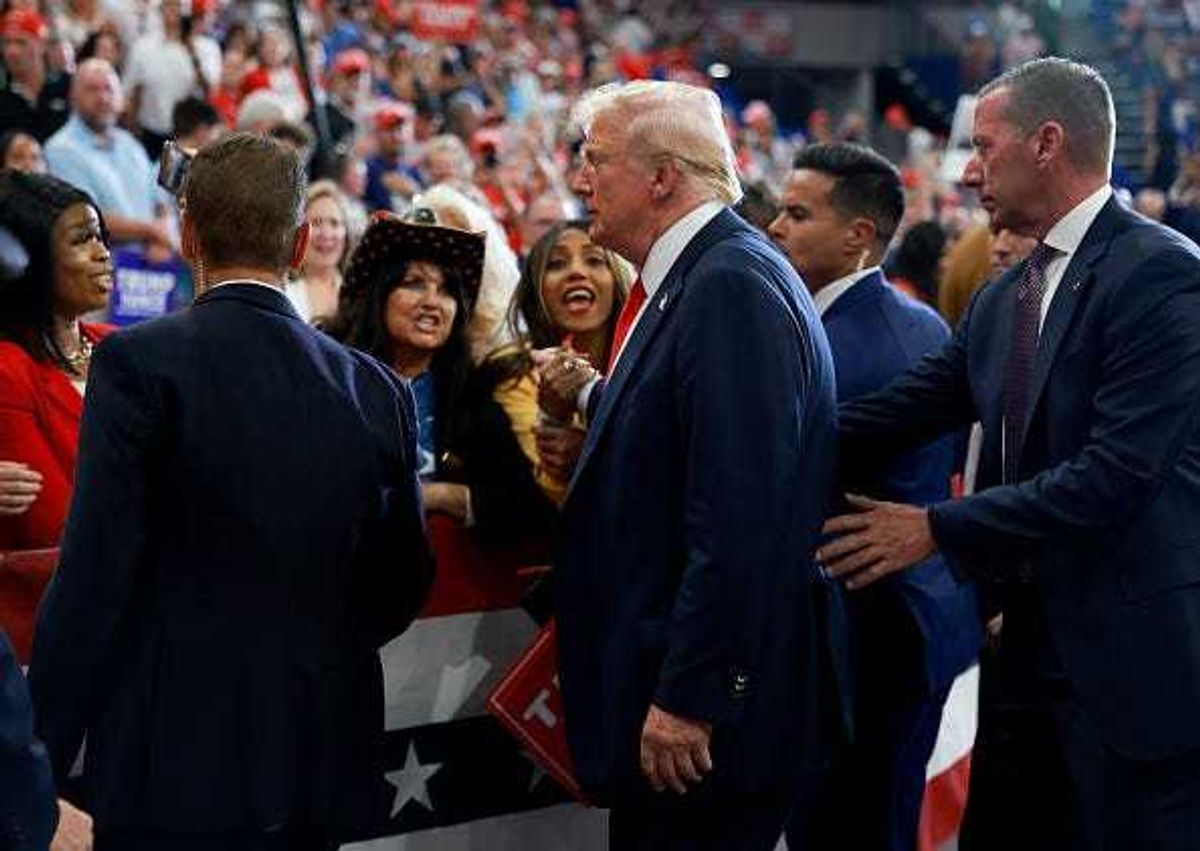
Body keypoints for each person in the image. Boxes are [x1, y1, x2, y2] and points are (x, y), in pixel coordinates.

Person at [818, 57, 1200, 850]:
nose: (967, 169)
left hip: (1132, 675)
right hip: (1020, 655)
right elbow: (887, 416)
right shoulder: (1002, 298)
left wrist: (937, 527)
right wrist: (728, 428)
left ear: (1047, 142)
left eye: (985, 146)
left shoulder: (1163, 275)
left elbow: (1114, 476)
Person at [27, 133, 434, 851]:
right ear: (302, 239)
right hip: (320, 750)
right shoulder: (374, 386)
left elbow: (93, 577)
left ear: (187, 234)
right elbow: (404, 578)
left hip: (173, 761)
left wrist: (39, 757)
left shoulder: (135, 363)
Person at [539, 80, 841, 851]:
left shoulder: (730, 285)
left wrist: (692, 695)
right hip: (677, 697)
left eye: (594, 160)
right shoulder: (698, 278)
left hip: (702, 726)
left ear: (661, 175)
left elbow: (739, 517)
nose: (580, 180)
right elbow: (682, 435)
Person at [767, 142, 980, 851]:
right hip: (892, 627)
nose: (774, 227)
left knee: (851, 828)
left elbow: (768, 451)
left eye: (797, 213)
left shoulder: (854, 341)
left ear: (861, 235)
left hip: (869, 635)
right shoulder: (913, 321)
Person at [325, 209, 558, 551]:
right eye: (414, 283)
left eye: (447, 290)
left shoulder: (473, 395)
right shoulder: (330, 383)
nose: (432, 302)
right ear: (378, 296)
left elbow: (529, 507)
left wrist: (443, 496)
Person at [0, 170, 113, 556]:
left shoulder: (122, 346)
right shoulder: (8, 370)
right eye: (82, 240)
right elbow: (54, 527)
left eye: (100, 236)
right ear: (24, 263)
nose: (103, 253)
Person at [481, 220, 630, 504]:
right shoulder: (512, 369)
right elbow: (553, 498)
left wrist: (590, 450)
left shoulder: (648, 357)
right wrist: (553, 419)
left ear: (618, 278)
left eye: (594, 260)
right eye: (556, 264)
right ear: (536, 288)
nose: (576, 271)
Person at [43, 58, 173, 262]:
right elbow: (86, 218)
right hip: (99, 269)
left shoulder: (130, 144)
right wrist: (153, 232)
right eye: (92, 90)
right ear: (73, 97)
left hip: (150, 266)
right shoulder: (59, 149)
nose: (103, 97)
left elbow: (158, 198)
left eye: (109, 89)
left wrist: (160, 233)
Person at [0, 8, 71, 143]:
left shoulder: (68, 85)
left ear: (42, 44)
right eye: (7, 43)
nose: (12, 51)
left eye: (21, 42)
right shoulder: (3, 100)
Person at [285, 180, 351, 324]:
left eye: (334, 223)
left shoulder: (360, 293)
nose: (326, 234)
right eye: (316, 223)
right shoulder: (283, 292)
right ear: (299, 233)